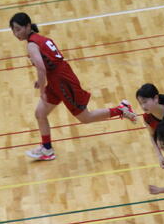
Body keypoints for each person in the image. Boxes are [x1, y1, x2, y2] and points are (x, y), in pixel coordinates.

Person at [9, 12, 137, 161]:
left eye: (18, 29)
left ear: (28, 26)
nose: (16, 34)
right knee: (40, 113)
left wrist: (42, 91)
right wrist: (41, 80)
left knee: (85, 117)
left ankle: (121, 109)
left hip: (63, 81)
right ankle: (47, 149)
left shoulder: (32, 45)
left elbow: (41, 68)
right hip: (56, 78)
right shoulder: (40, 39)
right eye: (13, 30)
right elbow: (47, 66)